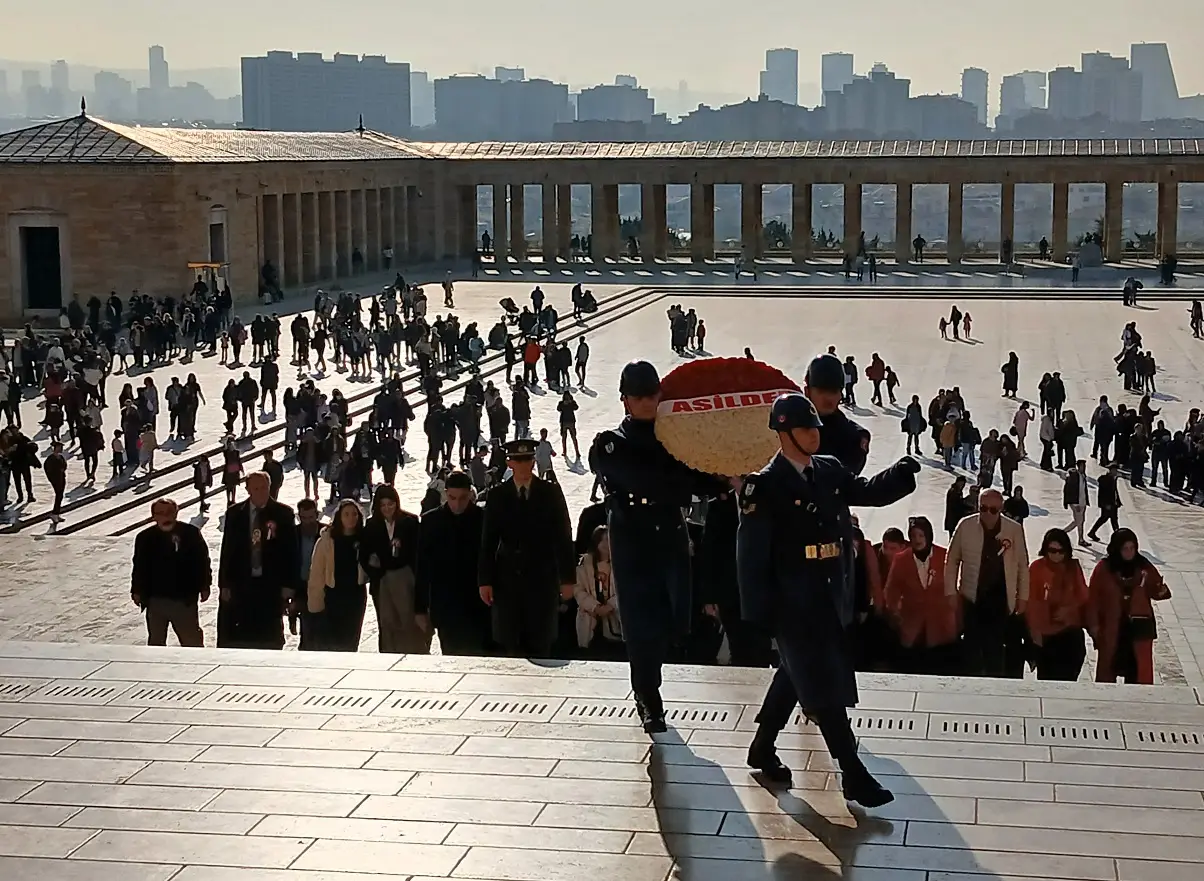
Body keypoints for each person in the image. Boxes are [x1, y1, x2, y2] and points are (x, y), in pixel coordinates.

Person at [738, 393, 919, 805]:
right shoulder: (762, 487)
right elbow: (750, 556)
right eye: (804, 429)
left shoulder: (830, 470)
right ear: (783, 433)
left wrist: (900, 474)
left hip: (828, 595)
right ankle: (852, 772)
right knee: (822, 687)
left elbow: (868, 491)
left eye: (816, 427)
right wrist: (760, 614)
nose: (814, 435)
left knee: (794, 673)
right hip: (791, 604)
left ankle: (762, 746)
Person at [590, 360, 723, 733]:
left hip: (668, 534)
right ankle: (648, 696)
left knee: (672, 618)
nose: (647, 402)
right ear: (625, 400)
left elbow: (698, 476)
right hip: (633, 538)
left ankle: (652, 681)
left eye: (652, 395)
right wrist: (688, 483)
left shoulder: (675, 440)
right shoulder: (611, 442)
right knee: (640, 621)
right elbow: (648, 480)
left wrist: (727, 478)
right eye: (639, 397)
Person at [479, 438, 576, 659]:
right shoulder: (498, 495)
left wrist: (567, 579)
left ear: (533, 462)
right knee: (511, 643)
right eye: (518, 460)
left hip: (542, 577)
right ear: (509, 463)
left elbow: (563, 536)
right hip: (508, 580)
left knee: (541, 640)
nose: (523, 465)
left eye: (527, 460)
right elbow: (488, 541)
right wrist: (485, 580)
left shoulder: (550, 493)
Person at [216, 472, 298, 649]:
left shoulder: (283, 513)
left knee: (270, 633)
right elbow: (228, 550)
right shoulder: (235, 513)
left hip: (270, 583)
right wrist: (224, 584)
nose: (260, 492)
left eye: (264, 488)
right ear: (247, 489)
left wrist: (289, 585)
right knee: (241, 631)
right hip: (242, 582)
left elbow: (291, 551)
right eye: (256, 488)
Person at [416, 470, 490, 655]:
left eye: (463, 498)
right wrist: (420, 609)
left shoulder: (484, 520)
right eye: (452, 497)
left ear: (471, 495)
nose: (457, 504)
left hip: (479, 608)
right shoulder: (430, 522)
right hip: (446, 609)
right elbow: (422, 568)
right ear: (445, 494)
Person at [1087, 528, 1170, 685]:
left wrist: (1161, 591)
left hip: (1139, 628)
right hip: (1112, 628)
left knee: (1139, 674)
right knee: (1108, 673)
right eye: (1125, 548)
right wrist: (1094, 628)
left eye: (1132, 548)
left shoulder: (1144, 566)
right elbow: (1093, 600)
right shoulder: (1104, 568)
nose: (1129, 552)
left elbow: (1157, 590)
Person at [883, 516, 959, 675]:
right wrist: (895, 613)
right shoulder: (901, 559)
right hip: (912, 626)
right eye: (913, 536)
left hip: (940, 626)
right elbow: (891, 590)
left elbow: (954, 588)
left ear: (929, 536)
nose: (917, 540)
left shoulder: (944, 556)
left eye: (921, 535)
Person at [130, 498, 211, 647]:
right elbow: (139, 566)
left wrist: (205, 586)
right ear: (153, 516)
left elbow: (202, 561)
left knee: (191, 639)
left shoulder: (190, 534)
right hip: (156, 600)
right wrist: (136, 590)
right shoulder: (145, 538)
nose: (165, 517)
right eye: (160, 513)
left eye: (169, 513)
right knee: (156, 641)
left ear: (176, 513)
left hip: (183, 599)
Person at [360, 484, 426, 653]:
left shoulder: (409, 522)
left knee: (408, 622)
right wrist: (377, 571)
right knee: (387, 624)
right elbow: (364, 555)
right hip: (382, 581)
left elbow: (417, 552)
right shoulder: (372, 526)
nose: (387, 508)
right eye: (383, 505)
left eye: (390, 504)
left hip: (405, 579)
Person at [1026, 528, 1090, 681]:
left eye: (1061, 551)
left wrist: (1068, 609)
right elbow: (1031, 601)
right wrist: (1034, 631)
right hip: (1046, 634)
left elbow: (1083, 594)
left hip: (1069, 632)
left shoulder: (1072, 567)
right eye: (1052, 551)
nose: (1056, 555)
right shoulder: (1037, 568)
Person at [306, 499, 369, 651]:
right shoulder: (327, 541)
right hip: (333, 597)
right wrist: (315, 606)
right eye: (346, 514)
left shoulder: (363, 539)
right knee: (332, 640)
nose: (351, 518)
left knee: (351, 639)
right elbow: (316, 574)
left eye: (354, 514)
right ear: (339, 517)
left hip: (355, 597)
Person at [574, 525, 624, 659]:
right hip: (591, 619)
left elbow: (625, 590)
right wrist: (595, 607)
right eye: (603, 540)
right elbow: (579, 590)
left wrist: (611, 605)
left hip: (614, 619)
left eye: (609, 540)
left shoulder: (621, 564)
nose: (606, 544)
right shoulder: (585, 564)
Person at [1088, 462, 1122, 542]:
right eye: (1115, 470)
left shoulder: (1113, 478)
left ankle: (1092, 532)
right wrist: (1105, 504)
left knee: (1110, 519)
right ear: (1111, 470)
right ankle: (1118, 537)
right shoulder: (1105, 480)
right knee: (1108, 519)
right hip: (1108, 503)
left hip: (1113, 503)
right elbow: (1102, 494)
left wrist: (1118, 501)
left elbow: (1115, 491)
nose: (1116, 472)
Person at [1063, 459, 1090, 547]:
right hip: (1077, 503)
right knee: (1078, 521)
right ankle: (1064, 533)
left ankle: (1079, 538)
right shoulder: (1074, 476)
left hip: (1082, 502)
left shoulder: (1082, 476)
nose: (1084, 468)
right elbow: (1070, 490)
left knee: (1080, 521)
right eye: (1082, 466)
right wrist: (1075, 504)